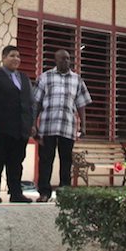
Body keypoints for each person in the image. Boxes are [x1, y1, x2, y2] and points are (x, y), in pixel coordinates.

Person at [33, 49, 92, 202]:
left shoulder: (77, 80)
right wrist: (33, 124)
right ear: (56, 60)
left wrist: (83, 126)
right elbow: (37, 102)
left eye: (68, 58)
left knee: (66, 161)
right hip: (47, 126)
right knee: (45, 160)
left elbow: (81, 104)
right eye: (62, 59)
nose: (66, 61)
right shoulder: (45, 77)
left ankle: (64, 193)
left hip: (68, 127)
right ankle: (44, 193)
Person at [0, 44, 35, 204]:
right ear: (3, 58)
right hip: (0, 127)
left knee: (16, 162)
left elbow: (31, 103)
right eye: (12, 56)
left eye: (18, 56)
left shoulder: (24, 78)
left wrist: (32, 124)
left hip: (20, 129)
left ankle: (16, 193)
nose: (16, 59)